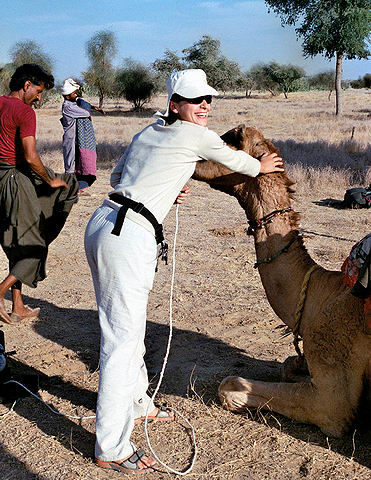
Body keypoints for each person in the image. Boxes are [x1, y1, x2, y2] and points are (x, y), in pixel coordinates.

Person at [84, 69, 284, 474]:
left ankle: (138, 403)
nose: (205, 106)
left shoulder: (148, 132)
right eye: (196, 101)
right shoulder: (194, 136)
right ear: (175, 103)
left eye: (208, 99)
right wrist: (261, 166)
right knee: (121, 341)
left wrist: (162, 189)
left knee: (127, 327)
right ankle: (111, 445)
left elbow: (119, 178)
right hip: (128, 235)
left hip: (106, 221)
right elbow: (237, 162)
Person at [0, 64, 78, 324]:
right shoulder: (24, 112)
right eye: (38, 91)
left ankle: (18, 306)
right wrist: (50, 180)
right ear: (26, 86)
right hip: (14, 180)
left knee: (15, 241)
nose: (39, 97)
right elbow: (32, 158)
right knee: (34, 243)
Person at [60, 78, 104, 195]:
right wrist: (88, 106)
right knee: (70, 165)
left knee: (75, 163)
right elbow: (84, 112)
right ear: (68, 96)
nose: (76, 95)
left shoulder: (71, 104)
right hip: (70, 139)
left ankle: (75, 189)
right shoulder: (68, 107)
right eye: (74, 93)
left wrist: (94, 107)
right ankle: (69, 191)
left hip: (75, 139)